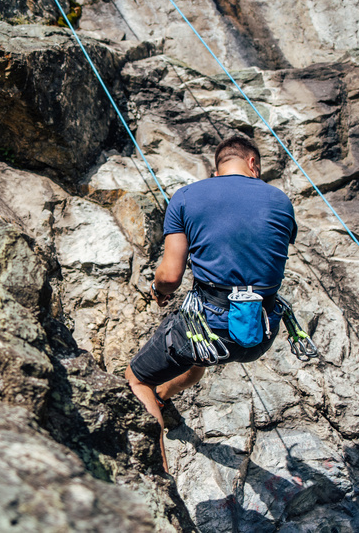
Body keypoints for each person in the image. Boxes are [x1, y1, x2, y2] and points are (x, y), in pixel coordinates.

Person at [125, 135, 297, 472]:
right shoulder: (280, 200)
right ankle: (163, 397)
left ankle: (155, 467)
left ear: (216, 171)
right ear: (253, 165)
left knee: (136, 377)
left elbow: (170, 277)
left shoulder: (188, 196)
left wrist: (159, 291)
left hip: (213, 324)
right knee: (195, 359)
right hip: (259, 332)